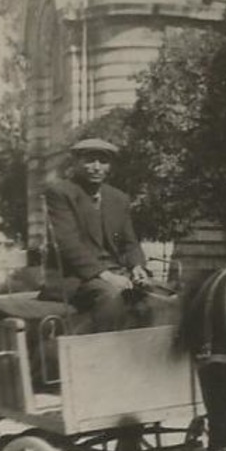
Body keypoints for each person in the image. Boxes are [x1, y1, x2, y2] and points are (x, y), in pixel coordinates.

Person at [42, 137, 165, 332]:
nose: (97, 167)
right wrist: (106, 275)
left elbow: (130, 242)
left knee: (161, 296)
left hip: (115, 273)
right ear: (75, 163)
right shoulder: (60, 193)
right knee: (110, 295)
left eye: (103, 161)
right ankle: (104, 356)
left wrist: (137, 267)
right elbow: (67, 243)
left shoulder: (118, 198)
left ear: (110, 166)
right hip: (73, 278)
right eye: (89, 160)